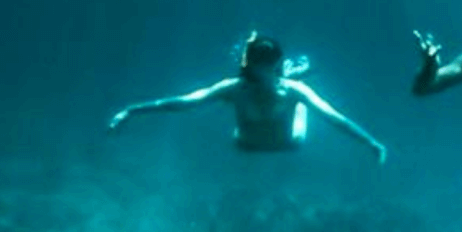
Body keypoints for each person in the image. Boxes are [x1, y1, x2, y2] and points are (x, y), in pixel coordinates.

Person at [108, 34, 389, 161]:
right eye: (262, 65)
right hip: (246, 146)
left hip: (289, 144)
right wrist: (130, 111)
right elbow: (183, 103)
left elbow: (335, 119)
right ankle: (294, 73)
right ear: (253, 65)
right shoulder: (233, 87)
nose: (265, 70)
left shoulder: (294, 91)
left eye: (270, 66)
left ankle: (298, 80)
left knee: (301, 98)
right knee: (277, 95)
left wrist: (371, 143)